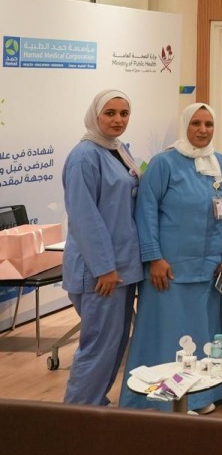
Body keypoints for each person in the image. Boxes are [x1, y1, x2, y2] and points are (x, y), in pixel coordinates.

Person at [121, 103, 222, 413]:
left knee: (200, 336)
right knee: (167, 335)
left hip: (209, 268)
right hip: (169, 269)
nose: (203, 129)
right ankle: (162, 401)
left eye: (208, 124)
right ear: (184, 126)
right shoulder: (164, 164)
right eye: (196, 123)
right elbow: (146, 211)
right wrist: (154, 258)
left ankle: (197, 397)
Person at [62, 90, 143, 406]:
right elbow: (84, 218)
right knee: (98, 347)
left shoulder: (117, 150)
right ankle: (76, 415)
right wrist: (104, 268)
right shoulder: (84, 156)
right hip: (100, 273)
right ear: (95, 115)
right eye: (110, 113)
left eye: (124, 113)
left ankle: (94, 404)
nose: (118, 120)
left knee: (114, 344)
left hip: (121, 267)